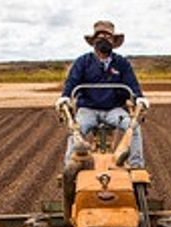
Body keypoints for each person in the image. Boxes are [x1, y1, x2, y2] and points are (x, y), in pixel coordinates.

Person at [56, 20, 148, 168]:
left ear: (113, 41)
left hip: (114, 109)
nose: (104, 39)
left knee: (133, 127)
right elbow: (72, 81)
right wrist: (65, 96)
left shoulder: (121, 63)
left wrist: (139, 98)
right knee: (75, 132)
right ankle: (70, 168)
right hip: (88, 109)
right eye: (100, 36)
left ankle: (137, 165)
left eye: (108, 36)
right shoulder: (83, 62)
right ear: (94, 41)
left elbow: (132, 84)